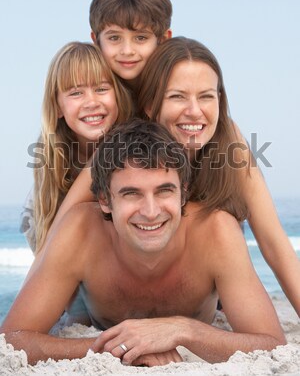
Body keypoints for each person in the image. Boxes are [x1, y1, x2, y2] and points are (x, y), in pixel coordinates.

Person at [0, 119, 286, 367]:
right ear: (105, 201)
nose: (150, 211)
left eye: (164, 191)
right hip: (92, 315)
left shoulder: (216, 230)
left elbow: (273, 344)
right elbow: (12, 339)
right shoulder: (80, 230)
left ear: (183, 194)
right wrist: (124, 347)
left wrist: (182, 329)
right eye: (132, 194)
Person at [50, 37, 300, 318]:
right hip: (120, 290)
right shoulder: (122, 146)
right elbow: (59, 238)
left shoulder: (230, 144)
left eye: (206, 96)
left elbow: (274, 244)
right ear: (149, 105)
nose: (194, 111)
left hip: (199, 286)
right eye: (177, 96)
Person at [21, 41, 133, 254]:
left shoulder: (134, 152)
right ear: (57, 107)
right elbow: (46, 254)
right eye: (75, 93)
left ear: (118, 96)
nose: (91, 102)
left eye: (101, 89)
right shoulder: (49, 171)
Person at [89, 0, 172, 90]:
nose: (127, 51)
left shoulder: (178, 88)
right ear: (96, 40)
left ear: (163, 40)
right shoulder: (90, 98)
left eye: (141, 38)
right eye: (114, 38)